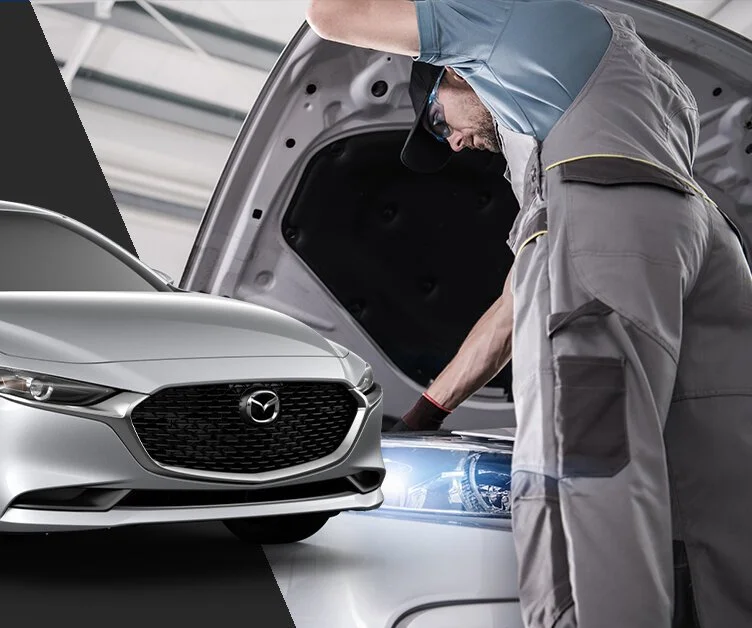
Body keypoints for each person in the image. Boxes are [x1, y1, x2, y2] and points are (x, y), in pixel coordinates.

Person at [305, 1, 752, 627]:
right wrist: (427, 411)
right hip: (711, 252)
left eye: (438, 122)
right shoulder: (615, 91)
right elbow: (525, 297)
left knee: (584, 473)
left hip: (619, 232)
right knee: (723, 499)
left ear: (456, 68)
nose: (456, 143)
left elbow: (332, 13)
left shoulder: (505, 22)